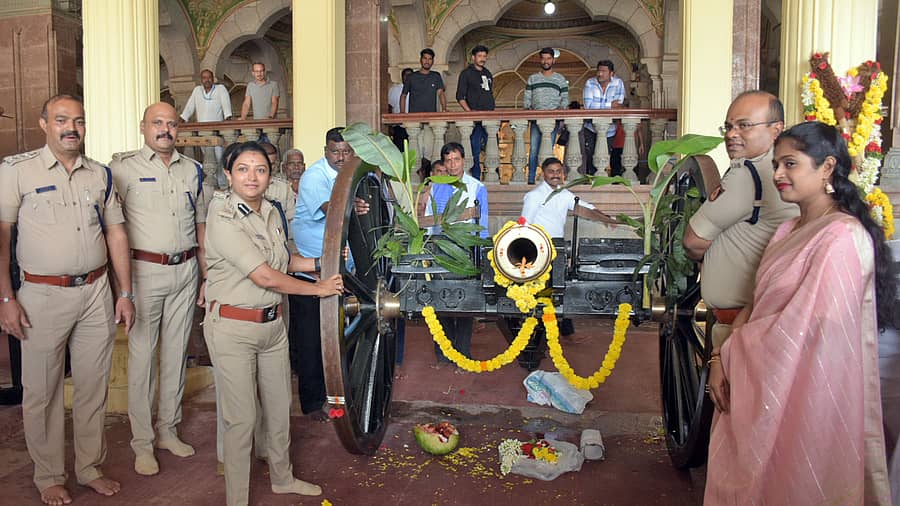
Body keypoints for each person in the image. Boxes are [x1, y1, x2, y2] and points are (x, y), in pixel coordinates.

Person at [704, 121, 895, 505]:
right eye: (776, 164)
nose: (777, 175)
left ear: (826, 167)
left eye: (790, 164)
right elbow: (757, 303)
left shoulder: (841, 236)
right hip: (755, 375)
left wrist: (735, 351)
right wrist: (719, 358)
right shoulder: (789, 229)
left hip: (806, 390)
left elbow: (813, 333)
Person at [0, 94, 135, 505]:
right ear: (44, 124)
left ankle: (89, 466)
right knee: (42, 391)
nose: (70, 128)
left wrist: (124, 291)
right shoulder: (16, 171)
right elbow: (1, 237)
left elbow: (115, 234)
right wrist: (6, 298)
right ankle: (49, 475)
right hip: (40, 294)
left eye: (78, 120)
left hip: (95, 292)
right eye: (61, 120)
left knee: (94, 387)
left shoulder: (101, 175)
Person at [203, 141, 342, 506]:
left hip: (272, 326)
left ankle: (282, 478)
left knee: (280, 410)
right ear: (229, 174)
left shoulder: (271, 210)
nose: (253, 176)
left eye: (260, 169)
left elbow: (283, 261)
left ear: (270, 175)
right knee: (242, 418)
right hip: (232, 327)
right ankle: (237, 499)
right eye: (244, 169)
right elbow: (264, 276)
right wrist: (319, 291)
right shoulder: (223, 217)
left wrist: (322, 263)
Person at [109, 102, 209, 476]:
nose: (165, 129)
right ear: (143, 127)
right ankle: (142, 443)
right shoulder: (121, 169)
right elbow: (111, 228)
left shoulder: (194, 170)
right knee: (143, 358)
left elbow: (200, 226)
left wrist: (206, 275)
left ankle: (168, 430)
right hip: (143, 271)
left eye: (171, 123)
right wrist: (122, 288)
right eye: (157, 123)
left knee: (175, 355)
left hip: (185, 271)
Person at [683, 91, 799, 352]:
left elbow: (692, 241)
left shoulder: (750, 174)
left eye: (744, 126)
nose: (731, 134)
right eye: (728, 127)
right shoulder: (788, 173)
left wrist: (709, 258)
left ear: (776, 130)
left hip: (743, 327)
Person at [290, 127, 353, 419]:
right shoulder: (314, 177)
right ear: (325, 151)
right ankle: (312, 403)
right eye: (334, 151)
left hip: (338, 268)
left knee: (336, 338)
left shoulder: (349, 172)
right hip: (310, 272)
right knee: (311, 341)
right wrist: (358, 205)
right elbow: (333, 209)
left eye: (345, 151)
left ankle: (339, 394)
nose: (340, 157)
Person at [424, 142, 488, 366]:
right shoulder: (434, 186)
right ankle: (443, 353)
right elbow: (428, 221)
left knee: (464, 303)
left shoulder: (476, 187)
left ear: (464, 161)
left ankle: (462, 353)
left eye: (456, 159)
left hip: (464, 249)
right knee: (440, 302)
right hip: (439, 249)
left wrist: (481, 256)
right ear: (443, 163)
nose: (452, 164)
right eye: (448, 160)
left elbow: (483, 225)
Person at [180, 69, 232, 188]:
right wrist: (182, 120)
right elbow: (189, 107)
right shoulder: (197, 91)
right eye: (204, 77)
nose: (207, 80)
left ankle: (223, 186)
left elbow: (226, 106)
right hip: (202, 132)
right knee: (209, 161)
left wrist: (228, 118)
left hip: (217, 132)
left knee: (219, 159)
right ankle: (213, 187)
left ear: (213, 78)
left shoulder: (220, 89)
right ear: (201, 80)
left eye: (209, 77)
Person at [523, 48, 569, 184]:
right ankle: (531, 178)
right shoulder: (533, 78)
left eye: (548, 58)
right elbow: (527, 98)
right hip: (536, 120)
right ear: (540, 60)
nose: (546, 61)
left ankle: (547, 180)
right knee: (534, 150)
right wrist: (528, 109)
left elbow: (565, 99)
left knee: (548, 150)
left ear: (553, 60)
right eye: (543, 58)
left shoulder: (560, 79)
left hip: (552, 121)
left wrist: (559, 110)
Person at [456, 45, 495, 180]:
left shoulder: (488, 73)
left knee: (492, 149)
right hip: (474, 120)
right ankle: (475, 178)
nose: (482, 59)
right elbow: (460, 97)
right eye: (479, 56)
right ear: (473, 57)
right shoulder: (466, 74)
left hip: (489, 118)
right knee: (475, 150)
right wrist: (470, 113)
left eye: (484, 56)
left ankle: (494, 176)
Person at [582, 60, 625, 176]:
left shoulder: (618, 83)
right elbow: (588, 107)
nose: (600, 74)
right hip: (590, 128)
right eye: (599, 71)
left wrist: (602, 106)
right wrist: (610, 105)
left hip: (610, 129)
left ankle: (601, 181)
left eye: (603, 71)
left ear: (611, 73)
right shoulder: (590, 83)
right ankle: (590, 181)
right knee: (590, 156)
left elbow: (619, 106)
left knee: (605, 157)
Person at [400, 48, 447, 114]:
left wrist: (444, 109)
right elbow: (403, 95)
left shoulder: (436, 76)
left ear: (433, 61)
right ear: (420, 60)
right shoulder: (411, 77)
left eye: (430, 59)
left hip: (431, 116)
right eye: (425, 58)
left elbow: (441, 93)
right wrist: (402, 113)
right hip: (414, 117)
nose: (427, 61)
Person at [388, 68, 413, 151]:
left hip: (414, 125)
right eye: (406, 75)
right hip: (399, 126)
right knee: (400, 151)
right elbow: (389, 107)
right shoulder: (394, 89)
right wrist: (390, 126)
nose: (408, 77)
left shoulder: (417, 89)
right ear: (402, 77)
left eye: (410, 75)